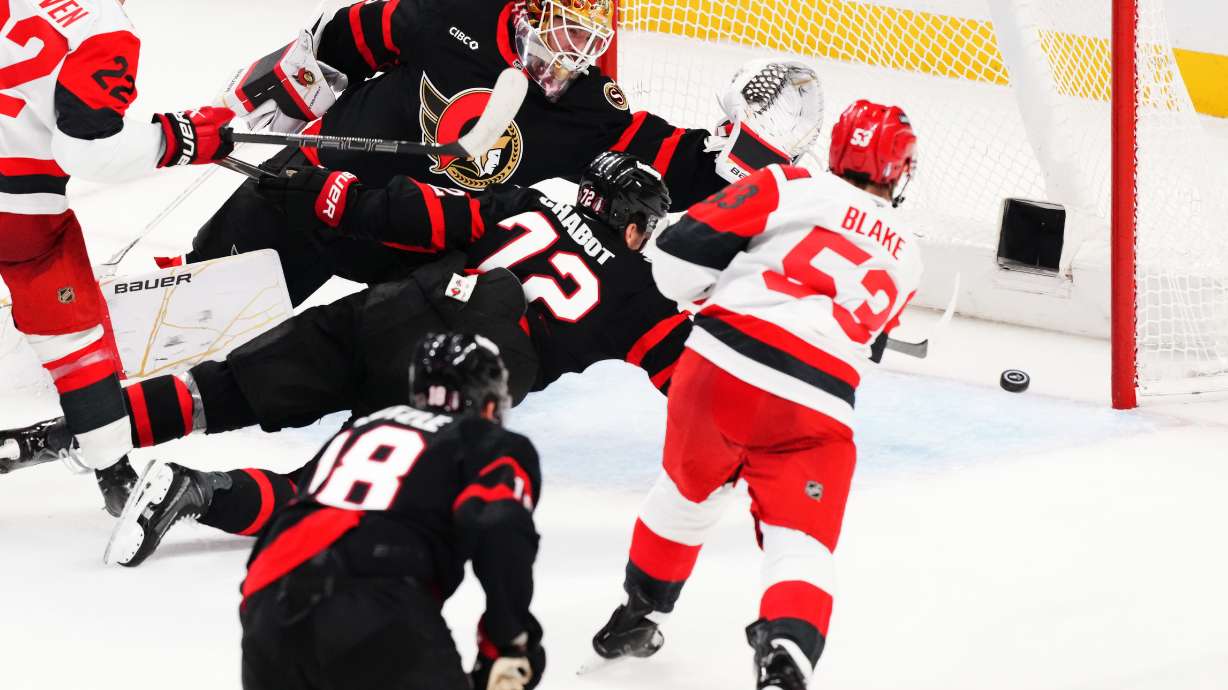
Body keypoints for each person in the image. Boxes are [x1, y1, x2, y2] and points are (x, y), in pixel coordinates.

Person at [95, 151, 690, 567]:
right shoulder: (640, 294)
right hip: (456, 376)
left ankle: (62, 432)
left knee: (220, 389)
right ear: (633, 223)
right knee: (328, 493)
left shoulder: (526, 203)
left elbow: (418, 214)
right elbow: (693, 375)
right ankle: (196, 491)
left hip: (392, 311)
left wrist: (326, 196)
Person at [587, 100, 923, 690]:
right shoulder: (910, 255)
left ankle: (637, 617)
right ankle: (785, 658)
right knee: (801, 543)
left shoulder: (789, 181)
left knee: (686, 494)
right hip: (815, 403)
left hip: (717, 366)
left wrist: (718, 289)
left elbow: (674, 258)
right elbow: (868, 349)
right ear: (899, 170)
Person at [181, 0, 825, 304]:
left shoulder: (588, 104)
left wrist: (755, 159)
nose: (582, 53)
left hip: (412, 250)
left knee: (377, 363)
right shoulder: (453, 16)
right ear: (533, 11)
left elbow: (675, 163)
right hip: (316, 192)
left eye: (594, 40)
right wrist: (291, 83)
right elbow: (354, 33)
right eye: (571, 29)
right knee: (188, 315)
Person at [0, 0, 234, 514]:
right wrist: (181, 138)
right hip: (18, 214)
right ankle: (113, 473)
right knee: (73, 338)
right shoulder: (103, 26)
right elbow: (89, 151)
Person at [237, 332, 545, 690]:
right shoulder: (487, 440)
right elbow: (499, 523)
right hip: (376, 604)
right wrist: (508, 640)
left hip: (267, 607)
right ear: (490, 403)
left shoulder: (357, 431)